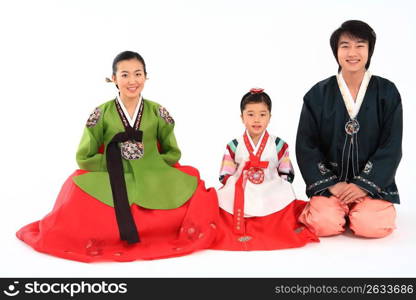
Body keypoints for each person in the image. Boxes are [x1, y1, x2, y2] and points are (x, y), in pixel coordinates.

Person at [17, 51, 219, 262]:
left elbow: (172, 152)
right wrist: (114, 165)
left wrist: (153, 165)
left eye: (137, 74)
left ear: (146, 76)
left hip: (152, 172)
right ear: (114, 78)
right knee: (76, 191)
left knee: (192, 183)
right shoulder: (101, 113)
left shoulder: (158, 112)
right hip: (113, 172)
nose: (132, 81)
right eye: (125, 75)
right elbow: (85, 155)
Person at [296, 20, 402, 238]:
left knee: (370, 226)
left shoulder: (387, 92)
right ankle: (335, 209)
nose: (352, 52)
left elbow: (391, 146)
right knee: (323, 224)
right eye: (345, 46)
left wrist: (363, 185)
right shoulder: (317, 95)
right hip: (331, 186)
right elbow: (306, 145)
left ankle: (362, 210)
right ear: (336, 51)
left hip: (374, 187)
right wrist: (332, 185)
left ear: (369, 50)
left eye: (360, 45)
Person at [210, 88, 318, 251]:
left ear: (269, 117)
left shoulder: (278, 144)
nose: (257, 120)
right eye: (250, 114)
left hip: (269, 186)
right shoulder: (234, 144)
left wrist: (279, 185)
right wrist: (232, 185)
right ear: (242, 117)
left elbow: (286, 171)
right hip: (242, 187)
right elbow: (226, 172)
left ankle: (273, 222)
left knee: (281, 194)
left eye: (262, 114)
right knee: (223, 198)